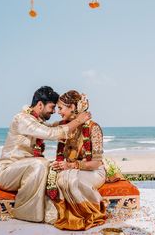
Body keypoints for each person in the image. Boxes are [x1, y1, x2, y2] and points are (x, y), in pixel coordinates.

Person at [0, 86, 91, 223]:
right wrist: (78, 121)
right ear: (40, 105)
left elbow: (52, 128)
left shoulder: (36, 122)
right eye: (51, 108)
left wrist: (70, 119)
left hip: (24, 170)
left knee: (53, 167)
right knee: (40, 163)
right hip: (7, 172)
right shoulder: (22, 119)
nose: (53, 112)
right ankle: (27, 214)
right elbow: (51, 133)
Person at [46, 90, 106, 230]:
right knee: (60, 178)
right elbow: (43, 130)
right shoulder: (63, 127)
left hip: (93, 171)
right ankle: (65, 216)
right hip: (69, 169)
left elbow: (96, 163)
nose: (58, 112)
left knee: (72, 180)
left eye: (60, 108)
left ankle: (88, 214)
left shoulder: (93, 128)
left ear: (72, 107)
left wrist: (71, 165)